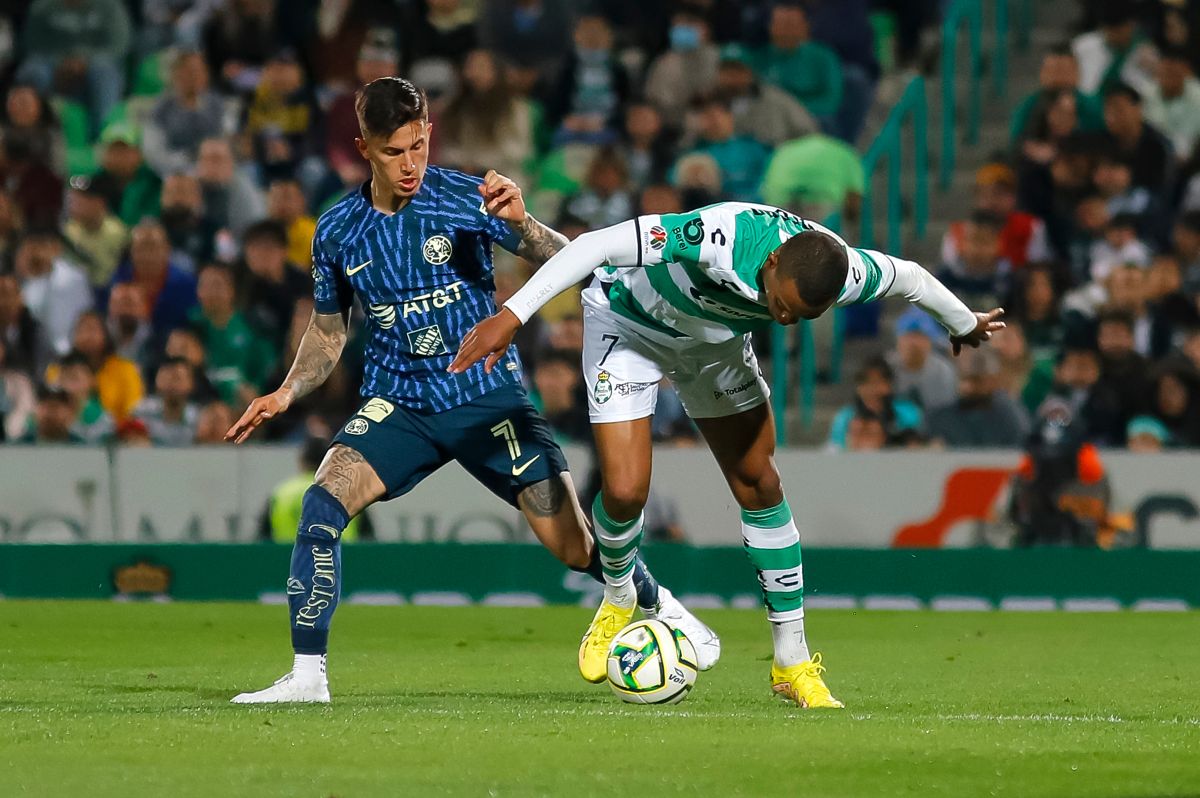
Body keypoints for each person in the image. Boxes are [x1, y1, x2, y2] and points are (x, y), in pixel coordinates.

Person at [224, 77, 715, 704]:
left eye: (419, 146)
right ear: (363, 148)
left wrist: (525, 222)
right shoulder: (337, 231)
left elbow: (571, 261)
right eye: (394, 152)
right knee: (322, 504)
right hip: (398, 403)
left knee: (573, 545)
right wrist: (287, 392)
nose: (411, 164)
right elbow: (328, 333)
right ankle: (307, 676)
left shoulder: (469, 197)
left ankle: (668, 609)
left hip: (487, 401)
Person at [452, 201, 1004, 709]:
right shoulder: (717, 236)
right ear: (771, 264)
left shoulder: (841, 271)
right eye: (781, 305)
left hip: (713, 350)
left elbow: (911, 277)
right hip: (629, 327)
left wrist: (963, 323)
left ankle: (791, 663)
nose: (785, 320)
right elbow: (595, 245)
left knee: (760, 482)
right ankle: (619, 595)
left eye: (800, 317)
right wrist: (514, 314)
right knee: (623, 491)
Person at [261, 436, 369, 543]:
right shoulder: (350, 493)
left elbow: (262, 538)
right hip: (339, 557)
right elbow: (368, 539)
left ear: (302, 461)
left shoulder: (282, 493)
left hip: (289, 557)